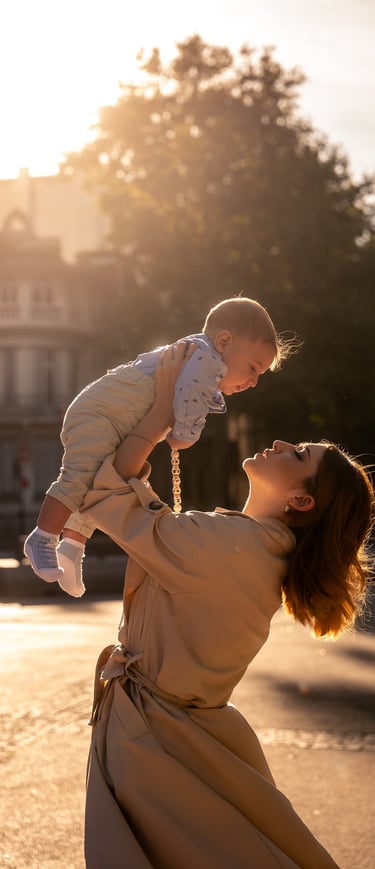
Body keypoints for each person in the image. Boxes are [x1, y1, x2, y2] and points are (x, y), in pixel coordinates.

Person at [77, 345, 373, 869]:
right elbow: (132, 500)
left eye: (298, 455)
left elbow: (106, 496)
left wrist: (158, 411)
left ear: (301, 501)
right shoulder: (256, 548)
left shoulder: (232, 545)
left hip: (156, 743)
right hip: (178, 736)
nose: (282, 442)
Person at [24, 296, 293, 598]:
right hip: (99, 414)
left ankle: (72, 547)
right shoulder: (206, 360)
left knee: (104, 483)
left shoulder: (200, 359)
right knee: (80, 475)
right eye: (253, 368)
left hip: (114, 418)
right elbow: (189, 406)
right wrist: (185, 434)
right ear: (225, 341)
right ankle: (43, 537)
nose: (254, 381)